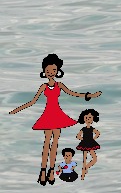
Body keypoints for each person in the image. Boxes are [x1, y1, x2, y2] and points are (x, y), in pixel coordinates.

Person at [10, 55, 99, 186]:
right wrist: (17, 109)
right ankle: (42, 171)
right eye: (48, 70)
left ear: (58, 71)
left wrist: (88, 95)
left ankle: (51, 171)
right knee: (46, 144)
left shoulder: (60, 85)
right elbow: (33, 101)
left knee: (55, 144)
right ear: (44, 71)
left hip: (57, 115)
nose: (51, 73)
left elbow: (73, 93)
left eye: (53, 70)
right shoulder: (43, 86)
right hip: (48, 114)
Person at [73, 110, 100, 180]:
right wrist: (82, 139)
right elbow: (78, 136)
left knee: (94, 159)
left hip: (90, 143)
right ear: (84, 119)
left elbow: (97, 133)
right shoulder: (84, 129)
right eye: (86, 118)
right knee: (84, 159)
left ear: (93, 119)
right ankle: (82, 175)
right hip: (86, 143)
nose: (88, 119)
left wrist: (93, 139)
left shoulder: (91, 128)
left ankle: (85, 168)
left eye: (90, 118)